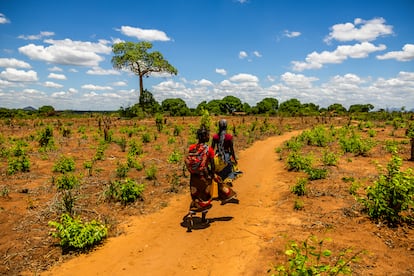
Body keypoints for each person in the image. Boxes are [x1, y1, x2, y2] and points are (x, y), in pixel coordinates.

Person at [187, 126, 215, 224]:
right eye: (207, 135)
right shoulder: (209, 150)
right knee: (205, 196)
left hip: (193, 176)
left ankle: (191, 213)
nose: (209, 136)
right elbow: (212, 164)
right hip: (204, 176)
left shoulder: (192, 148)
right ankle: (203, 219)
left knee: (195, 196)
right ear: (204, 137)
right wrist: (212, 175)